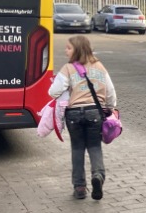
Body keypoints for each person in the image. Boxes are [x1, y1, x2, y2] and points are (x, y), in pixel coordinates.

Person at [49, 35, 117, 201]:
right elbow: (110, 92)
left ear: (77, 49)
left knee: (77, 149)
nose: (65, 51)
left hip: (73, 114)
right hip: (95, 113)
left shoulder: (68, 68)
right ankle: (98, 176)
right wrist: (110, 108)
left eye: (68, 48)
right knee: (95, 147)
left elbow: (52, 92)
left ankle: (79, 187)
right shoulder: (100, 67)